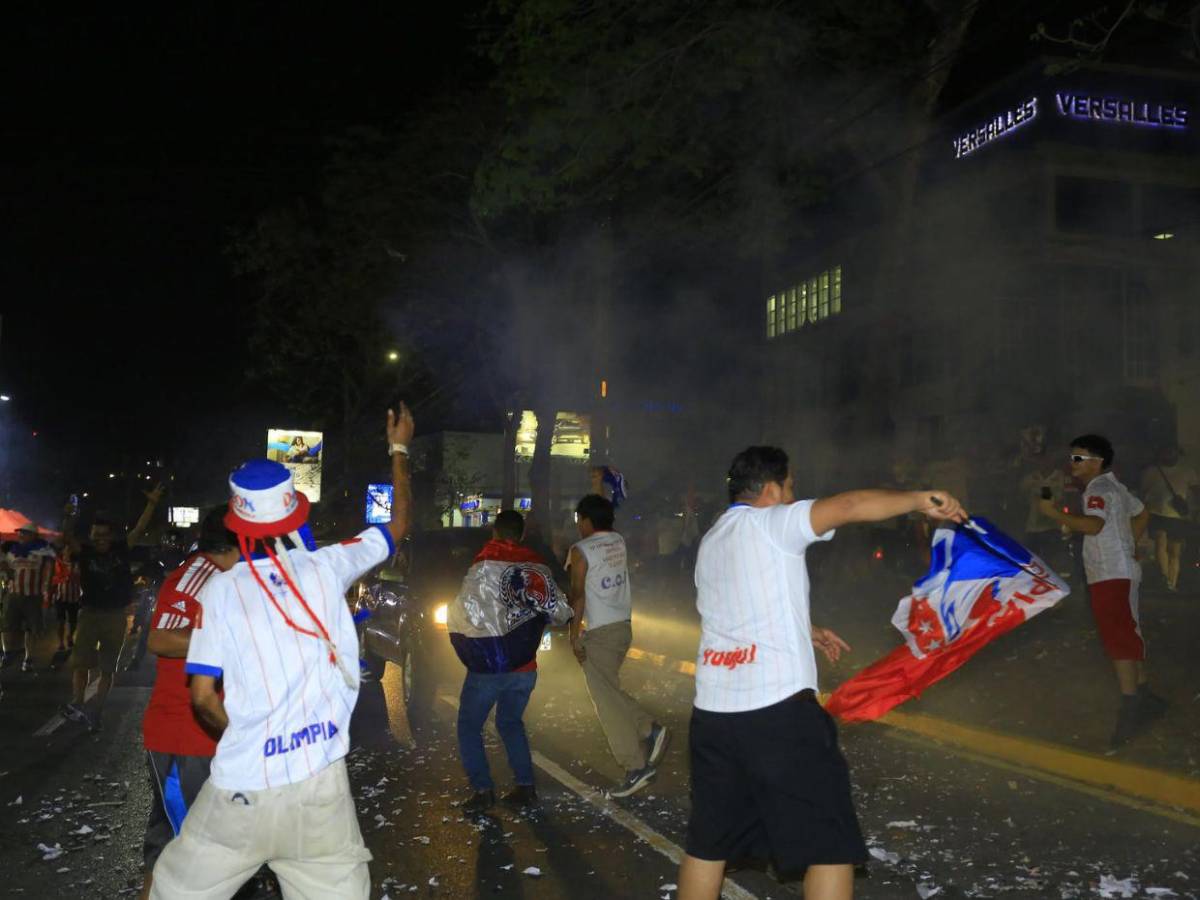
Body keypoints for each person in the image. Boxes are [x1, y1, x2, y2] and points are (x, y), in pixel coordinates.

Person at [677, 446, 966, 900]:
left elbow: (733, 610)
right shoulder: (773, 522)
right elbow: (848, 506)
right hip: (778, 714)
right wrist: (920, 499)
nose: (796, 497)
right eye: (792, 487)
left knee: (708, 844)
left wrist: (802, 628)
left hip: (713, 716)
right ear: (772, 489)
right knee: (829, 846)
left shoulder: (712, 541)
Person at [150, 405, 414, 900]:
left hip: (242, 793)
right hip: (321, 790)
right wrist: (399, 448)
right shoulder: (329, 566)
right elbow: (397, 525)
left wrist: (246, 737)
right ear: (295, 510)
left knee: (173, 888)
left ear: (236, 521)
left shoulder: (222, 593)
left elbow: (204, 698)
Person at [139, 508, 241, 900]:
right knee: (187, 854)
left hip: (207, 734)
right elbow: (161, 639)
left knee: (175, 849)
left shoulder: (229, 576)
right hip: (185, 736)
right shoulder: (198, 574)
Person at [1039, 434, 1164, 748]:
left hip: (1110, 574)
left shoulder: (1099, 488)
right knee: (1127, 632)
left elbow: (1094, 526)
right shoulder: (1116, 487)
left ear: (1097, 461)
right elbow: (1142, 513)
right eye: (1072, 457)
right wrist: (1130, 544)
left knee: (1118, 639)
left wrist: (1051, 512)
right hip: (1119, 572)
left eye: (1078, 458)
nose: (1072, 464)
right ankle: (1146, 697)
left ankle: (1131, 708)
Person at [447, 509, 572, 815]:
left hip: (488, 667)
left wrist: (465, 643)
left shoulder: (483, 564)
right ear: (522, 534)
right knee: (510, 722)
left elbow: (465, 612)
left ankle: (483, 791)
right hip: (525, 669)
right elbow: (562, 611)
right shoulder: (537, 566)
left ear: (494, 532)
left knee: (468, 727)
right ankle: (525, 788)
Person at [567, 494, 668, 798]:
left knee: (606, 703)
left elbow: (578, 595)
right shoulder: (617, 541)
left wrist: (573, 635)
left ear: (585, 520)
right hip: (623, 629)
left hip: (599, 634)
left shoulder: (581, 550)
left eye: (578, 519)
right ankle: (649, 729)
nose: (577, 525)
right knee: (609, 692)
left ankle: (636, 766)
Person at [60, 485, 163, 729]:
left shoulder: (121, 549)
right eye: (96, 535)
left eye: (104, 535)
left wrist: (151, 503)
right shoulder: (84, 552)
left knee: (108, 667)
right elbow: (67, 537)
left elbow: (139, 528)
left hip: (116, 615)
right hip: (90, 613)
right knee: (81, 662)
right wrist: (68, 516)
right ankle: (78, 703)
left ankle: (96, 710)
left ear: (112, 536)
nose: (100, 539)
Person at [1139, 445, 1197, 592]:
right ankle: (1167, 580)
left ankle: (1170, 582)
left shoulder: (1186, 472)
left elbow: (1143, 492)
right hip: (1161, 513)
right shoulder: (1153, 471)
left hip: (1174, 515)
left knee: (1173, 551)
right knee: (1163, 544)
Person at [2, 522, 56, 671]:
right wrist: (6, 574)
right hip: (13, 593)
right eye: (20, 533)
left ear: (34, 535)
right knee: (6, 625)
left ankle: (28, 658)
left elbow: (50, 571)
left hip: (33, 595)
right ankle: (7, 653)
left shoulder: (44, 551)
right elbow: (7, 567)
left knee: (31, 629)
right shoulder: (13, 551)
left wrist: (47, 590)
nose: (21, 535)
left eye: (24, 533)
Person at [52, 545, 82, 652]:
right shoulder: (58, 564)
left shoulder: (77, 565)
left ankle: (70, 636)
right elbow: (53, 579)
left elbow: (80, 578)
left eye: (69, 550)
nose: (67, 552)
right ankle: (61, 642)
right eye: (66, 550)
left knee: (73, 621)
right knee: (60, 621)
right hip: (60, 597)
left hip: (74, 597)